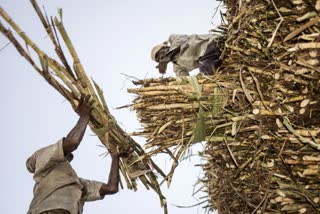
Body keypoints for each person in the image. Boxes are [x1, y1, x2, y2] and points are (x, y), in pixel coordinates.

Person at [26, 95, 128, 214]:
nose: (64, 151)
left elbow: (111, 188)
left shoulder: (77, 184)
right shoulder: (44, 166)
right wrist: (84, 116)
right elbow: (72, 143)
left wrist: (115, 157)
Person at [151, 34, 223, 77]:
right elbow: (185, 80)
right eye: (158, 59)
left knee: (205, 69)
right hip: (207, 60)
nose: (160, 57)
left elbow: (182, 40)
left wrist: (168, 57)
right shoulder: (177, 67)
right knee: (204, 75)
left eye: (159, 53)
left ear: (164, 47)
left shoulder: (173, 38)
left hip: (211, 44)